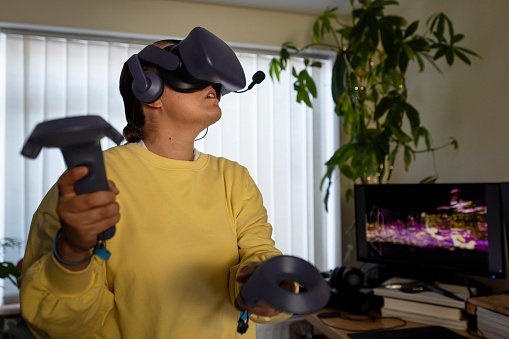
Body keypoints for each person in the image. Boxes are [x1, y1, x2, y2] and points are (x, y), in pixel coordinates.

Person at [18, 28, 289, 339]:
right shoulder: (91, 179)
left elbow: (260, 255)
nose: (212, 83)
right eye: (189, 68)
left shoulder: (234, 179)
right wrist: (72, 250)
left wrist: (265, 285)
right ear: (149, 90)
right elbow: (55, 324)